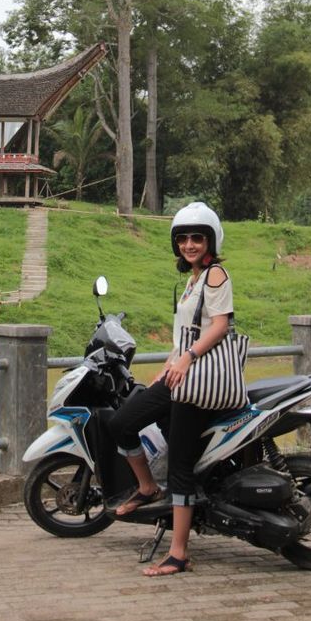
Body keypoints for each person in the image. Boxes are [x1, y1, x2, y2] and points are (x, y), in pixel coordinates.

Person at [108, 201, 236, 577]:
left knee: (181, 465)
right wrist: (172, 357)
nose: (190, 244)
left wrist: (187, 357)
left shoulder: (215, 275)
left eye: (198, 237)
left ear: (210, 240)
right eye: (183, 238)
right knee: (121, 423)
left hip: (197, 382)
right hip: (181, 372)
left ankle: (178, 553)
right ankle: (147, 486)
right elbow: (190, 328)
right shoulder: (193, 279)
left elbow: (220, 326)